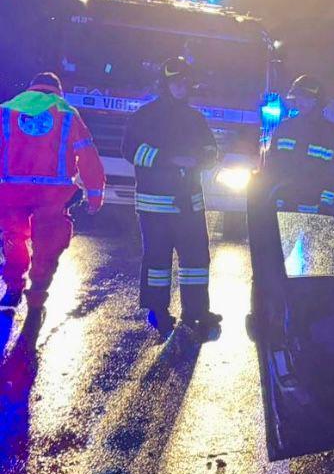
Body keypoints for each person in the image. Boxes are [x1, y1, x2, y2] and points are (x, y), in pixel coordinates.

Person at [121, 57, 221, 335]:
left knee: (197, 260)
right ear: (165, 84)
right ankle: (158, 310)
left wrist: (201, 158)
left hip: (189, 203)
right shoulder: (145, 116)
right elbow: (130, 151)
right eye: (176, 82)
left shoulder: (195, 117)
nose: (181, 87)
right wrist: (170, 160)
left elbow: (211, 151)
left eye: (185, 83)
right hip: (155, 206)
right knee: (157, 261)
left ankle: (197, 311)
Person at [0, 72, 105, 312]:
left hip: (13, 192)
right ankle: (37, 293)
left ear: (31, 88)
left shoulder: (6, 110)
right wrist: (95, 194)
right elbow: (87, 155)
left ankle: (13, 287)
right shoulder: (67, 112)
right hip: (53, 194)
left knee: (14, 237)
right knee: (47, 243)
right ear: (58, 90)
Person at [264, 74, 334, 182]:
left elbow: (333, 175)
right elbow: (271, 166)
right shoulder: (284, 128)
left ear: (318, 101)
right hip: (284, 195)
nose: (300, 101)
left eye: (306, 98)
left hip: (314, 197)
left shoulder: (331, 133)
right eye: (298, 97)